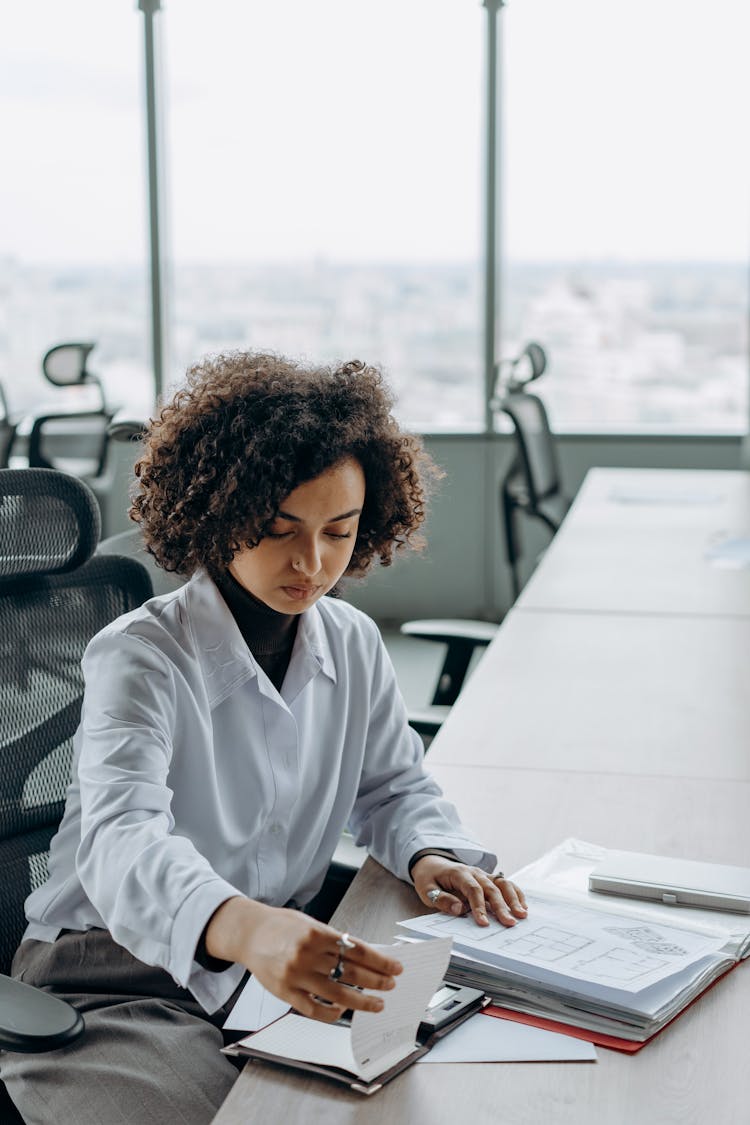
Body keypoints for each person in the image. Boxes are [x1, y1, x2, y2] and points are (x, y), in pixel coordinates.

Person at [1, 352, 526, 1124]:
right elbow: (121, 839)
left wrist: (428, 851)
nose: (312, 562)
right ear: (219, 513)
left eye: (338, 530)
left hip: (275, 957)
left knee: (425, 1075)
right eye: (279, 530)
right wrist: (245, 926)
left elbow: (390, 785)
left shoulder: (350, 640)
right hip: (113, 977)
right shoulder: (140, 655)